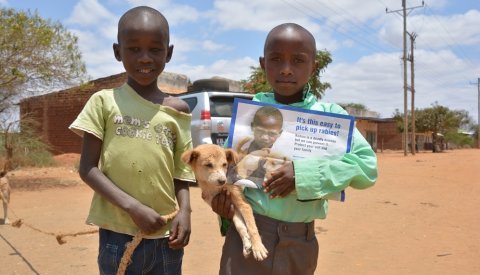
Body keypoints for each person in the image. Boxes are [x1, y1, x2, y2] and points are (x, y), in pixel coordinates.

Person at [212, 23, 378, 275]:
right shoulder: (249, 115)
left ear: (313, 67)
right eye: (276, 59)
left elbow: (367, 167)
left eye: (298, 60)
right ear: (263, 63)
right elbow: (227, 171)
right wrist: (221, 201)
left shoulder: (331, 118)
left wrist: (303, 174)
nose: (286, 69)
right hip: (247, 236)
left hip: (301, 243)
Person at [69, 6, 195, 275]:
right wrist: (133, 208)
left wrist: (185, 211)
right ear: (118, 52)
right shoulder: (103, 102)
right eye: (134, 49)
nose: (145, 58)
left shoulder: (178, 110)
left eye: (155, 49)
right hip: (118, 235)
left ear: (168, 53)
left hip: (166, 237)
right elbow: (88, 168)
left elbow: (181, 171)